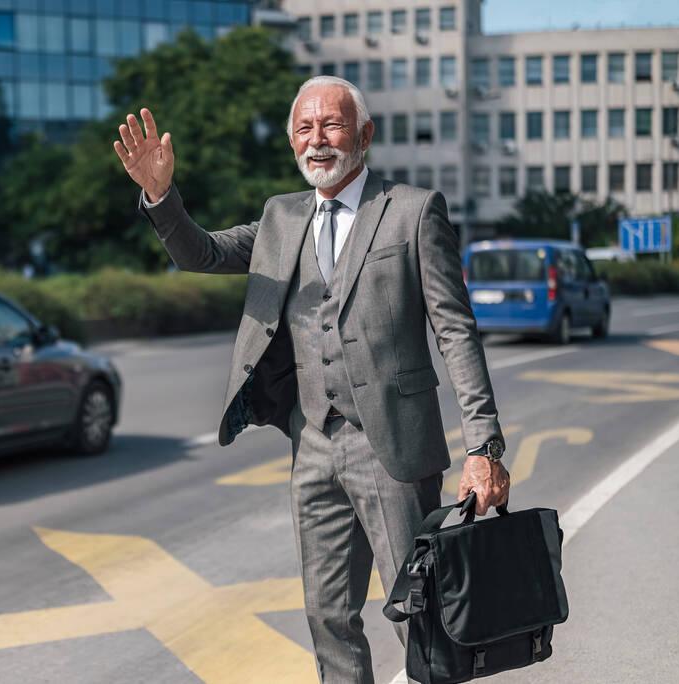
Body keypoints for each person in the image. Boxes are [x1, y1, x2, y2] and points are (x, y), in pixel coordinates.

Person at [113, 75, 511, 683]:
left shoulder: (411, 212)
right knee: (327, 617)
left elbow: (456, 332)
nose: (317, 140)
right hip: (314, 446)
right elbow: (202, 253)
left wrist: (483, 446)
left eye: (332, 125)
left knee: (422, 616)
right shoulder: (281, 217)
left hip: (395, 449)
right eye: (305, 128)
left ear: (365, 135)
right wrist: (162, 197)